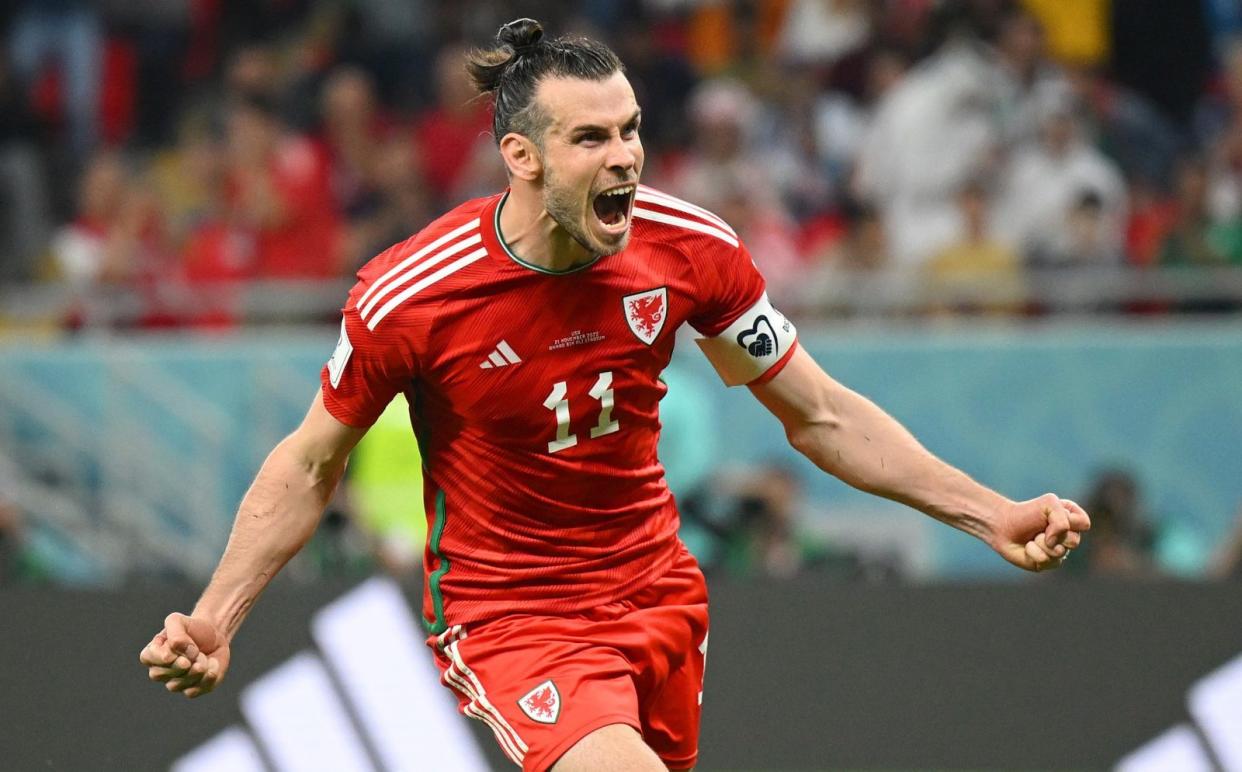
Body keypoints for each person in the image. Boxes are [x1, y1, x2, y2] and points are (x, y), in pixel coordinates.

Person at [139, 19, 1091, 772]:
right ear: (524, 157)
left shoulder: (689, 250)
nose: (625, 157)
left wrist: (992, 515)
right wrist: (219, 616)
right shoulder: (414, 295)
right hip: (511, 614)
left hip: (657, 594)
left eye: (631, 130)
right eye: (591, 138)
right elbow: (310, 464)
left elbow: (821, 414)